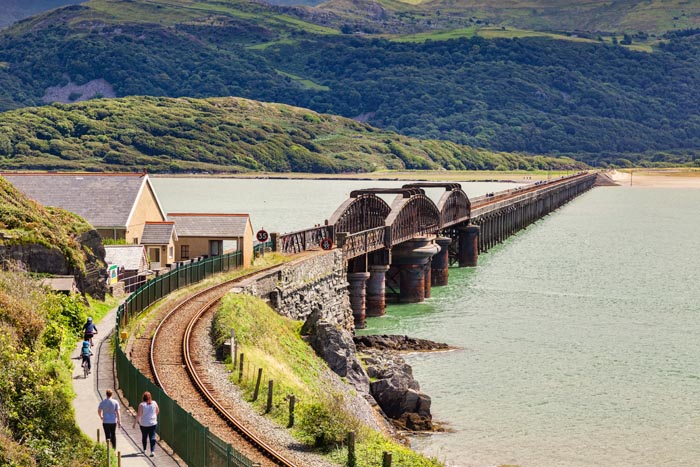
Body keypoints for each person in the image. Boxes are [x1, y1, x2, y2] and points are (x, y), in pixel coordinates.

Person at [133, 391, 159, 457]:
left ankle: (144, 449)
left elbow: (139, 415)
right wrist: (154, 416)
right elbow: (157, 410)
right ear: (150, 397)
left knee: (144, 436)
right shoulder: (154, 403)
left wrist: (135, 423)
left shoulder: (141, 405)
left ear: (143, 397)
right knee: (152, 436)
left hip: (144, 423)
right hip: (153, 423)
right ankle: (152, 451)